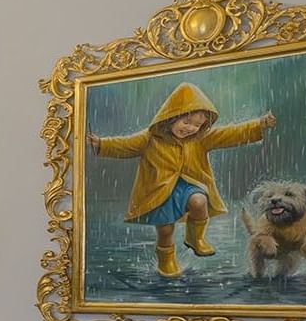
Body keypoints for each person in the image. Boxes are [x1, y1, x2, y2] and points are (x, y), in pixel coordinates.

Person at [89, 82, 274, 278]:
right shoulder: (150, 138)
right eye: (186, 122)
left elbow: (230, 133)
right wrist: (100, 144)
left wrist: (258, 124)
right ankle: (166, 259)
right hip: (159, 191)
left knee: (199, 201)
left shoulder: (201, 138)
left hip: (189, 184)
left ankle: (195, 238)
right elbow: (124, 145)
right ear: (171, 116)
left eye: (197, 125)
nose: (191, 128)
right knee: (166, 230)